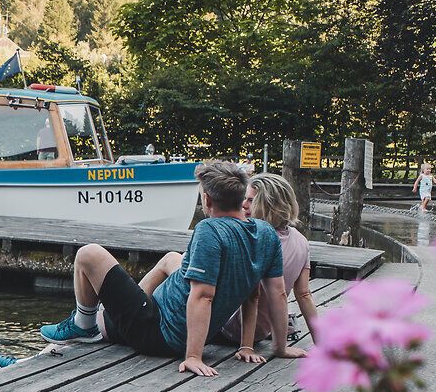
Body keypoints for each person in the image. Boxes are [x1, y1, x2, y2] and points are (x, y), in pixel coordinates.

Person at [36, 161, 298, 376]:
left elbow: (203, 295)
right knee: (171, 258)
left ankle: (84, 324)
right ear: (242, 200)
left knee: (88, 254)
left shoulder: (209, 230)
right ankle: (98, 321)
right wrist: (280, 346)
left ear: (207, 200)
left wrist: (193, 356)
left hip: (157, 331)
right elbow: (275, 293)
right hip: (166, 320)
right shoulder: (265, 233)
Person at [221, 173, 319, 350]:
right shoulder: (302, 241)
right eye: (244, 199)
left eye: (250, 200)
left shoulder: (253, 237)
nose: (243, 204)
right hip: (261, 332)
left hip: (230, 329)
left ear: (269, 204)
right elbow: (304, 295)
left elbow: (252, 296)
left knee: (174, 260)